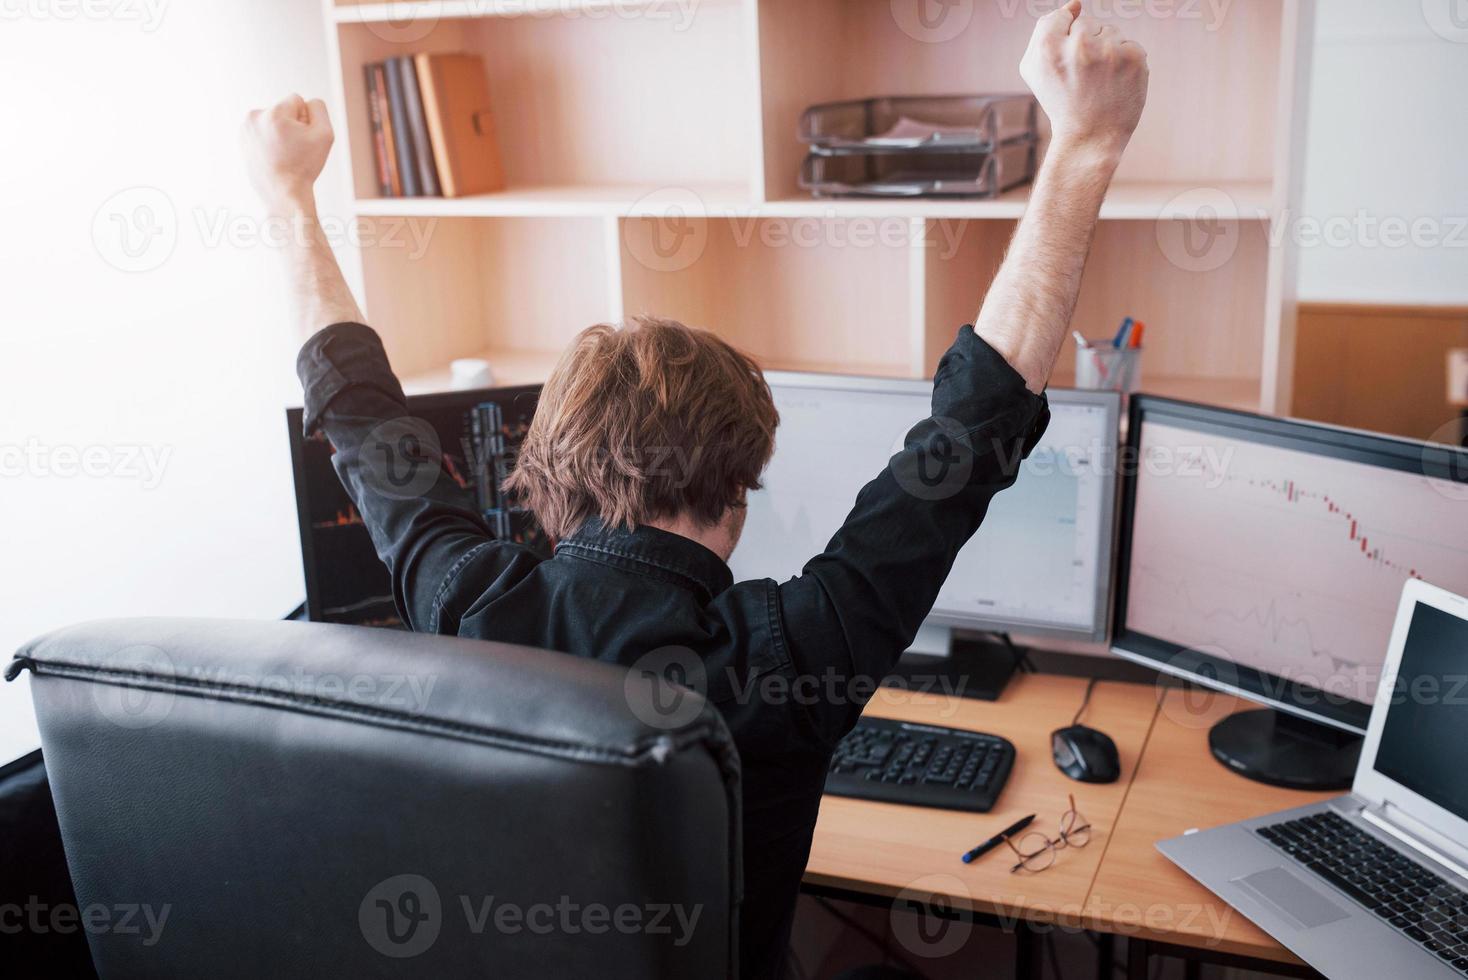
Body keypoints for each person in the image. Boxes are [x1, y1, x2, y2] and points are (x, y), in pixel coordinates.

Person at [242, 3, 1147, 975]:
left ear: (547, 470)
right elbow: (974, 426)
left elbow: (355, 407)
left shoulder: (463, 601)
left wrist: (287, 196)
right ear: (737, 493)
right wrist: (1085, 145)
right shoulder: (793, 654)